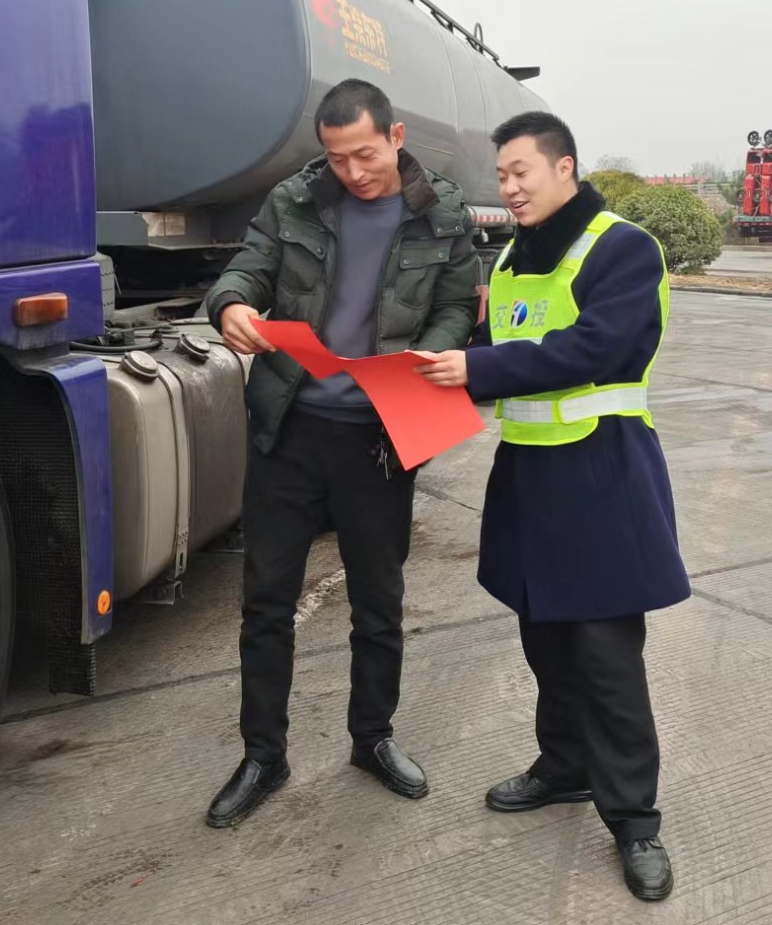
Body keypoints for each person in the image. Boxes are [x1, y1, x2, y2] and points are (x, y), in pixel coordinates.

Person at [416, 111, 690, 901]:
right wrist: (432, 368)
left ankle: (634, 820)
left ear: (564, 168)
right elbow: (491, 346)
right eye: (501, 175)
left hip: (601, 472)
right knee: (545, 642)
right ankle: (565, 766)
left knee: (606, 657)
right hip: (530, 476)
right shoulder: (512, 258)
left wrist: (477, 370)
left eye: (521, 172)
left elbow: (596, 347)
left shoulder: (622, 248)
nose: (509, 187)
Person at [203, 78, 481, 827]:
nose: (353, 172)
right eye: (337, 158)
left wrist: (429, 353)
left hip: (380, 437)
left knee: (378, 601)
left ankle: (373, 737)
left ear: (395, 136)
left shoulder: (443, 214)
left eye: (365, 154)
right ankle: (263, 754)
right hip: (290, 429)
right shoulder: (294, 201)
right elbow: (249, 267)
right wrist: (232, 303)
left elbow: (458, 304)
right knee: (267, 601)